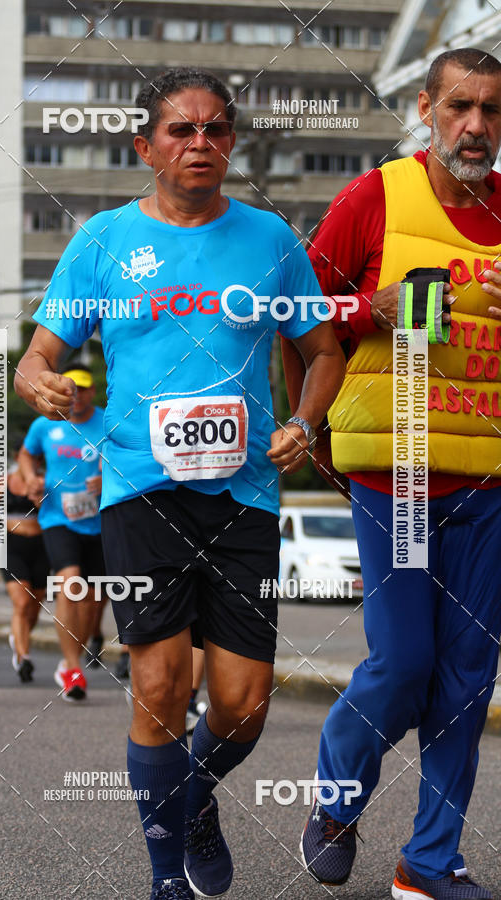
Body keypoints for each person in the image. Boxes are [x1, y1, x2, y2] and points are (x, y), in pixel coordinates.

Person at [15, 67, 345, 900]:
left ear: (230, 143)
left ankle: (194, 800)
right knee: (161, 685)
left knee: (244, 705)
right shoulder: (103, 241)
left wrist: (304, 423)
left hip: (243, 494)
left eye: (215, 130)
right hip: (138, 488)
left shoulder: (270, 239)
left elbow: (323, 353)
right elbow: (39, 357)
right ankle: (167, 876)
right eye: (180, 130)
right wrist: (38, 381)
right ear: (146, 146)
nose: (200, 142)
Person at [282, 48, 501, 900]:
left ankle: (429, 862)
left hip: (489, 481)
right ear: (427, 108)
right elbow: (295, 310)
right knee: (405, 662)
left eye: (491, 110)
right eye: (460, 107)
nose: (476, 125)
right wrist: (369, 309)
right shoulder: (375, 196)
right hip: (400, 471)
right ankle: (336, 801)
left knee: (467, 677)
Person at [19, 362, 106, 702]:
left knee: (91, 599)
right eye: (72, 389)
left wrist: (108, 478)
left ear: (92, 391)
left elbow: (127, 460)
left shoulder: (108, 422)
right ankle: (73, 668)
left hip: (101, 520)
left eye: (83, 388)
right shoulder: (45, 424)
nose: (77, 395)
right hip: (58, 517)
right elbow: (26, 456)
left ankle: (75, 656)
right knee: (70, 584)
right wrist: (30, 479)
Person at [2, 441, 50, 683]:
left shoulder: (46, 483)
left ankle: (19, 638)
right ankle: (24, 658)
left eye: (37, 459)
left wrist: (40, 497)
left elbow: (53, 515)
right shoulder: (1, 483)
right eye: (28, 457)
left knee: (34, 605)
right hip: (12, 548)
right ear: (17, 457)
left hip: (41, 548)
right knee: (22, 602)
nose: (33, 463)